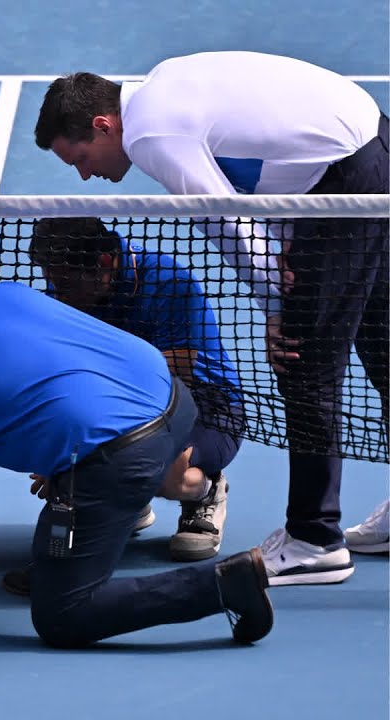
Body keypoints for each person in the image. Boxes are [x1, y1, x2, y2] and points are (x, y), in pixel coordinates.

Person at [34, 51, 388, 583]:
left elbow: (225, 219)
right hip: (367, 147)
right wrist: (289, 241)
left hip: (344, 175)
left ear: (103, 125)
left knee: (303, 358)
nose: (85, 175)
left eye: (78, 157)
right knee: (382, 340)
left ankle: (315, 538)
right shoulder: (162, 85)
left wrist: (277, 306)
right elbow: (270, 159)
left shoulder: (152, 136)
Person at [0, 281, 273, 648]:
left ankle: (225, 585)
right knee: (52, 552)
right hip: (172, 399)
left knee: (62, 613)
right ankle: (108, 522)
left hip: (125, 450)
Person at [29, 217, 246, 561]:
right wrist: (57, 449)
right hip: (126, 403)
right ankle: (129, 500)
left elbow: (175, 373)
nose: (60, 294)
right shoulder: (67, 289)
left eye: (67, 283)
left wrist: (93, 441)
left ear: (103, 263)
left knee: (165, 477)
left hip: (204, 403)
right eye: (52, 282)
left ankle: (205, 492)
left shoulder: (167, 280)